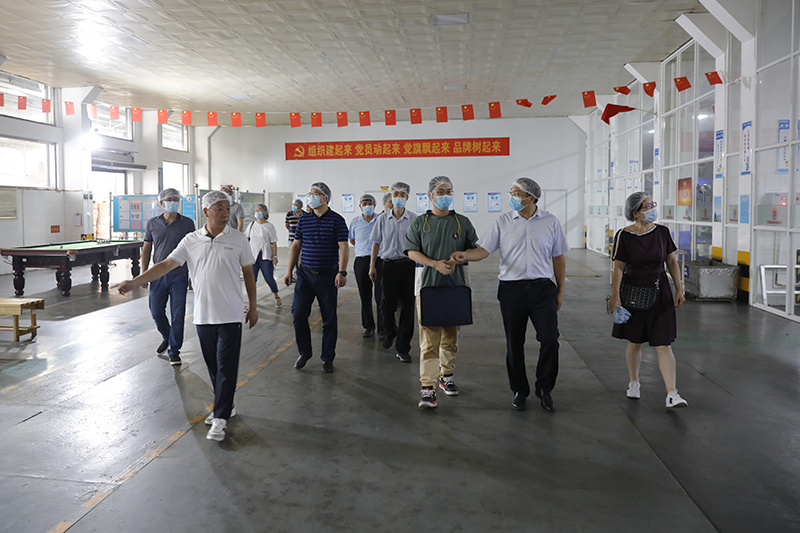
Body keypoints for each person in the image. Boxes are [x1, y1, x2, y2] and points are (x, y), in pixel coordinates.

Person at [116, 190, 258, 442]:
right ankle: (227, 405)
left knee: (226, 367)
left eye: (227, 209)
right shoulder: (191, 240)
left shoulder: (238, 239)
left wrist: (253, 306)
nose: (225, 214)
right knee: (214, 368)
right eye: (220, 209)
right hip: (203, 315)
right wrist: (135, 281)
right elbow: (165, 265)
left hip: (231, 314)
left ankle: (220, 418)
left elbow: (248, 273)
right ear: (206, 211)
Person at [452, 178, 568, 412]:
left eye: (516, 193)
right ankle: (519, 390)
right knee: (514, 343)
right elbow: (484, 250)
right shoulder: (503, 222)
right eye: (512, 192)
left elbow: (558, 257)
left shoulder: (550, 222)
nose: (512, 196)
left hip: (542, 290)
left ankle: (545, 389)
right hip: (512, 290)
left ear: (531, 198)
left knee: (550, 340)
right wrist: (464, 256)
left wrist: (560, 290)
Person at [608, 192, 687, 408]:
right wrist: (615, 296)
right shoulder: (624, 235)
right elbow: (619, 267)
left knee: (663, 342)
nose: (653, 208)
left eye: (653, 204)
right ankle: (634, 381)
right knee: (635, 340)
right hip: (633, 291)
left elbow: (671, 261)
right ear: (636, 213)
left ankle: (672, 393)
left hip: (660, 290)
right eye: (648, 206)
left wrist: (679, 289)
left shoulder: (662, 232)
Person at [405, 176, 478, 408]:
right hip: (427, 287)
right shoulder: (421, 223)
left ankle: (446, 375)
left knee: (451, 337)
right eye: (440, 191)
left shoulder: (462, 222)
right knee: (429, 340)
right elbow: (411, 252)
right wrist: (435, 263)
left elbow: (475, 249)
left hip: (456, 287)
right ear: (430, 195)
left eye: (449, 191)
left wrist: (461, 257)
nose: (445, 195)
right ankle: (427, 387)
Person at [284, 182, 349, 373]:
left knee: (329, 318)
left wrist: (342, 272)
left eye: (315, 193)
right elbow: (296, 246)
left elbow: (343, 247)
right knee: (298, 314)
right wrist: (289, 271)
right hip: (305, 275)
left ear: (325, 198)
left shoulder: (337, 220)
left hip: (328, 276)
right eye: (309, 193)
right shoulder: (304, 219)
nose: (310, 196)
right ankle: (304, 352)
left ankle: (327, 357)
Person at [141, 188, 196, 366]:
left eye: (176, 199)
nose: (173, 202)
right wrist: (144, 273)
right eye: (169, 199)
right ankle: (167, 336)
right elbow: (147, 248)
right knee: (156, 312)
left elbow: (193, 250)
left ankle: (174, 350)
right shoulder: (152, 223)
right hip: (158, 275)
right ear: (161, 202)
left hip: (179, 275)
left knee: (178, 315)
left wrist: (192, 274)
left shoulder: (187, 223)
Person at [370, 182, 417, 362]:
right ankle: (390, 331)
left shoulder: (414, 219)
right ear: (391, 196)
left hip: (408, 266)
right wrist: (372, 265)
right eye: (395, 194)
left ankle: (403, 348)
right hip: (388, 265)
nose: (398, 197)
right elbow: (376, 243)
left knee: (407, 307)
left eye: (402, 195)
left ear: (407, 197)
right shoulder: (382, 219)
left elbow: (420, 244)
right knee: (386, 305)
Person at [349, 194, 382, 338]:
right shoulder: (355, 222)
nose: (367, 206)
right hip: (362, 261)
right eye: (364, 203)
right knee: (365, 295)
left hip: (380, 260)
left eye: (370, 203)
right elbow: (352, 239)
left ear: (374, 205)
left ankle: (383, 327)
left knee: (381, 295)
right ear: (360, 206)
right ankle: (369, 326)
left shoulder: (380, 220)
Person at [246, 203, 282, 308]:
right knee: (252, 279)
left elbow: (274, 242)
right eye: (255, 211)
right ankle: (251, 301)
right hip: (253, 256)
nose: (256, 213)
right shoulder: (251, 225)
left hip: (265, 256)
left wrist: (275, 257)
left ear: (264, 212)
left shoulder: (269, 226)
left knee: (269, 277)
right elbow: (246, 239)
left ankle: (276, 295)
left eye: (259, 211)